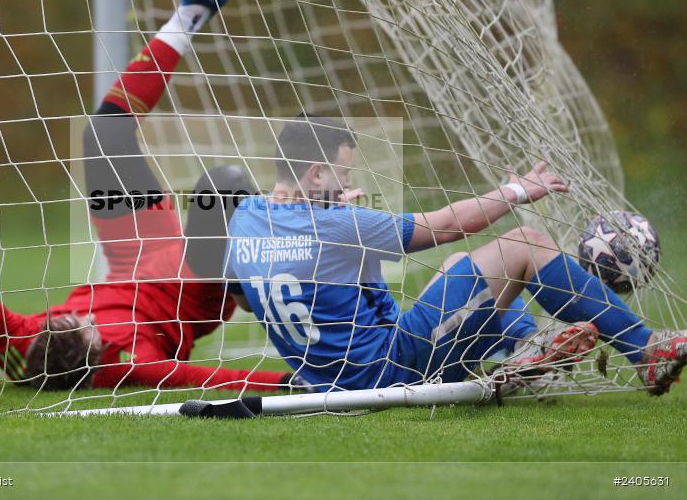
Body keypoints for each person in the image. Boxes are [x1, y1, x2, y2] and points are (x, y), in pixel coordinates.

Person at [0, 0, 296, 394]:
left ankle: (193, 9)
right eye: (86, 326)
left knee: (102, 136)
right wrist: (292, 383)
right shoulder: (130, 363)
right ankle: (265, 285)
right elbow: (208, 377)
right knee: (221, 187)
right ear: (97, 354)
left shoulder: (27, 340)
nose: (83, 316)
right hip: (194, 288)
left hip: (134, 252)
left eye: (71, 318)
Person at [225, 115, 687, 396]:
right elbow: (445, 225)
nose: (348, 186)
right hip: (393, 367)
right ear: (315, 173)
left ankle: (529, 353)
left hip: (334, 377)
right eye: (342, 177)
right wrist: (516, 191)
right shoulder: (338, 224)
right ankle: (644, 350)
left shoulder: (245, 219)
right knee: (525, 243)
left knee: (454, 271)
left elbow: (246, 298)